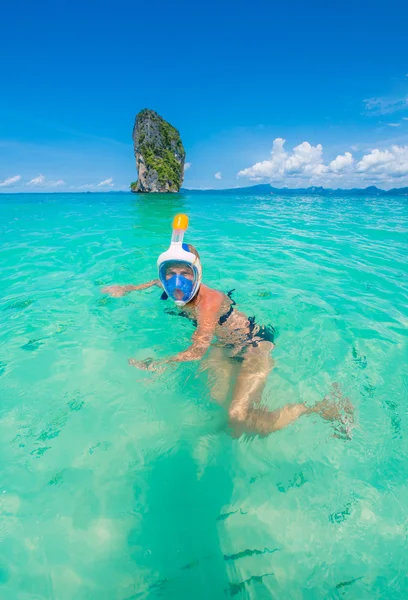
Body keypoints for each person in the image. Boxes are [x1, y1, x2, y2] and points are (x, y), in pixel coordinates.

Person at [103, 214, 353, 437]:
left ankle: (319, 408)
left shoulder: (209, 302)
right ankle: (240, 427)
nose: (176, 280)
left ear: (197, 273)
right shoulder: (170, 284)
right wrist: (126, 288)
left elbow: (198, 348)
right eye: (170, 272)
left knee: (236, 415)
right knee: (217, 402)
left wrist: (160, 364)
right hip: (224, 345)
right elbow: (153, 282)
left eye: (185, 273)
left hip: (253, 344)